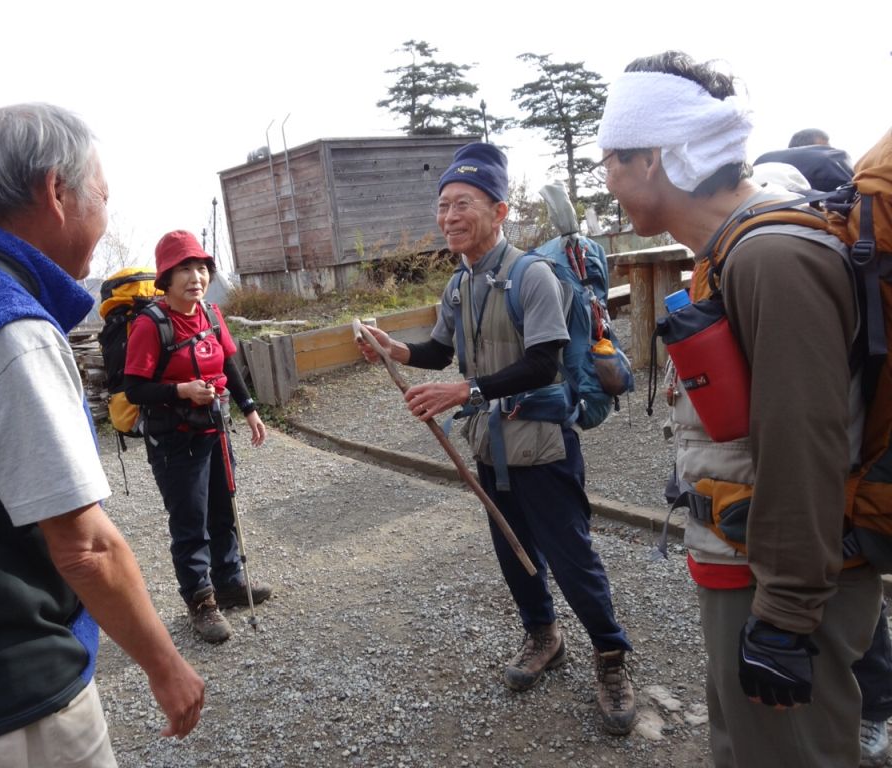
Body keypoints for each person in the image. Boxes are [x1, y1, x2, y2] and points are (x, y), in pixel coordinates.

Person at [0, 103, 205, 765]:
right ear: (56, 192)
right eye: (102, 196)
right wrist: (167, 665)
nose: (105, 216)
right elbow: (85, 548)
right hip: (7, 689)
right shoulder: (9, 331)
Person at [596, 52, 883, 766]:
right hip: (747, 565)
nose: (605, 180)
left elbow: (806, 441)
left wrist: (785, 618)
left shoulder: (771, 257)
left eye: (612, 162)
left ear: (655, 159)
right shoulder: (731, 252)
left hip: (782, 587)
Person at [355, 142, 636, 736]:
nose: (449, 216)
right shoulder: (460, 284)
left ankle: (610, 657)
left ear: (500, 211)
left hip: (544, 445)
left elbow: (542, 363)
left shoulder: (530, 276)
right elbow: (438, 351)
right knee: (514, 552)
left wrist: (465, 392)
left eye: (464, 204)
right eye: (443, 206)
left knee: (571, 556)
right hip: (492, 447)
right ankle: (544, 636)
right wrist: (393, 348)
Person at [755, 136, 892, 768]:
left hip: (846, 473)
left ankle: (878, 710)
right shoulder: (848, 213)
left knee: (849, 576)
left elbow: (809, 416)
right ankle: (873, 709)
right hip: (855, 464)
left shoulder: (800, 241)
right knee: (853, 583)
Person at [123, 230, 271, 644]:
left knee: (223, 510)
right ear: (166, 279)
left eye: (202, 267)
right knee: (190, 523)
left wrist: (250, 409)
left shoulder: (210, 314)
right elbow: (134, 389)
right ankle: (201, 602)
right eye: (185, 269)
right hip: (174, 441)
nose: (196, 276)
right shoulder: (151, 326)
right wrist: (180, 391)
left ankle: (227, 581)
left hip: (215, 429)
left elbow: (228, 365)